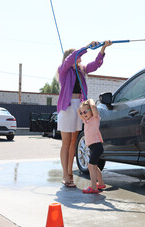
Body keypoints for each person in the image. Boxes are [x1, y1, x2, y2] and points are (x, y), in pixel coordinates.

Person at [57, 40, 112, 187]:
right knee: (66, 143)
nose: (80, 58)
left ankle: (70, 174)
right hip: (66, 108)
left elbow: (96, 64)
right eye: (77, 56)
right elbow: (71, 58)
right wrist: (86, 47)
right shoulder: (63, 70)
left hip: (79, 108)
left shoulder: (81, 71)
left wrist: (102, 49)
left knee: (74, 142)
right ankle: (65, 175)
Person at [77, 99, 105, 193]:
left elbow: (93, 107)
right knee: (94, 166)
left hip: (97, 146)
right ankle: (100, 183)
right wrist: (81, 108)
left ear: (91, 111)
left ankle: (93, 187)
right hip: (92, 147)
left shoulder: (95, 118)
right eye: (82, 112)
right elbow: (78, 112)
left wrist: (90, 100)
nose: (83, 114)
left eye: (85, 112)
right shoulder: (86, 121)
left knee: (90, 166)